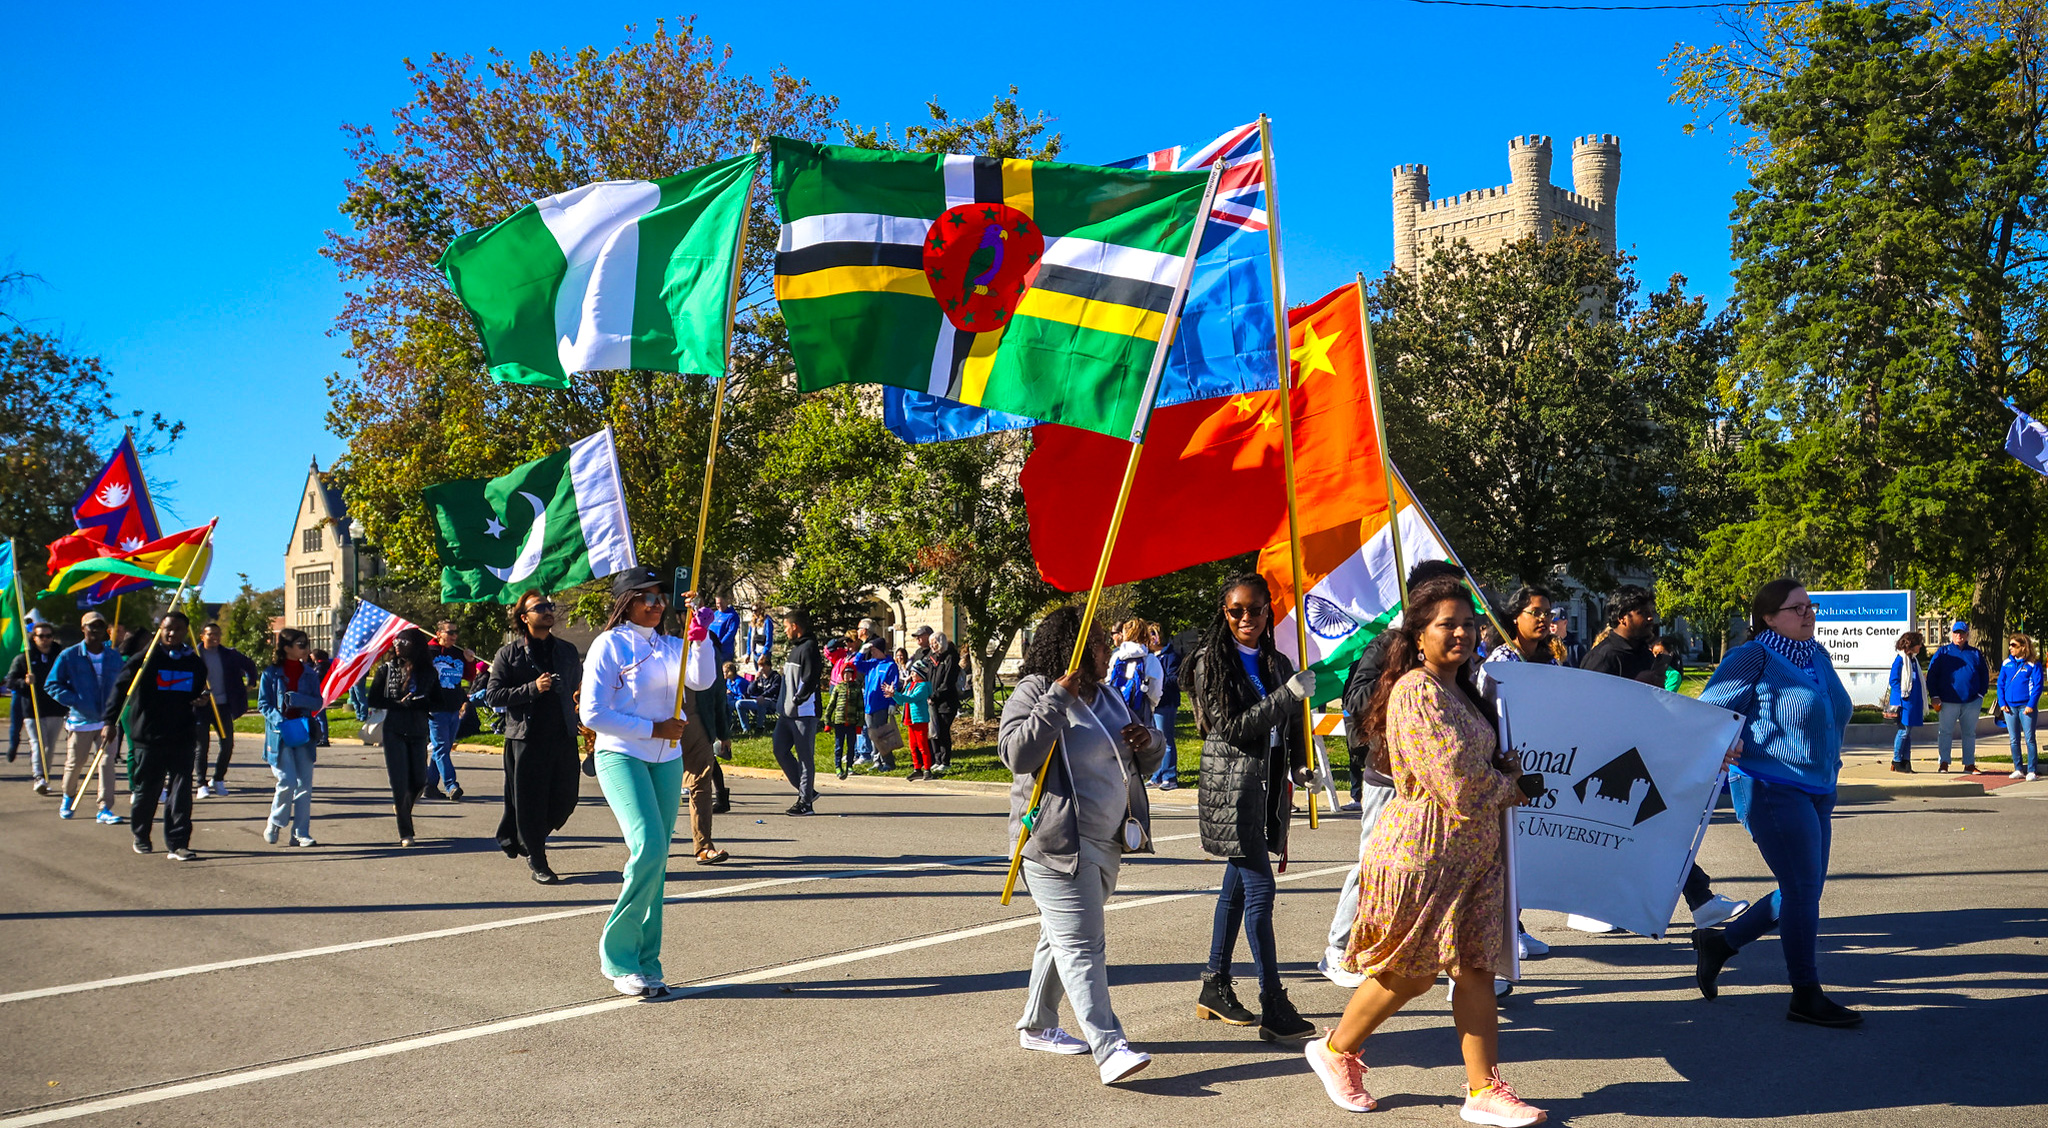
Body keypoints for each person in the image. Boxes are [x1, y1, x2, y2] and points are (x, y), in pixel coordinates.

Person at [1307, 576, 1546, 1124]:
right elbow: (1456, 782)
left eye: (1469, 623)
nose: (1462, 633)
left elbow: (1477, 765)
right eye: (1448, 624)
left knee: (1477, 969)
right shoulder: (1416, 690)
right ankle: (1335, 1051)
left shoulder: (1464, 688)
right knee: (1409, 976)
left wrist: (1507, 772)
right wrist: (1514, 788)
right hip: (1425, 854)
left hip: (1477, 856)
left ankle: (1483, 1090)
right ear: (1419, 635)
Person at [1000, 604, 1162, 1085]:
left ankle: (1037, 1023)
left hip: (1107, 841)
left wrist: (1147, 741)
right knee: (1083, 943)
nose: (1109, 648)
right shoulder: (1034, 690)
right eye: (1098, 642)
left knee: (1061, 936)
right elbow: (1016, 754)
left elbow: (1146, 761)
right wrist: (1056, 699)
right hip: (1053, 844)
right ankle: (1109, 1047)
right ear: (1073, 648)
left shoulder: (1109, 696)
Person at [1692, 578, 1860, 1027]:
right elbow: (1707, 714)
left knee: (1802, 890)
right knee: (1804, 889)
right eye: (1795, 608)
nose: (1807, 614)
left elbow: (1830, 712)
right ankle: (1805, 994)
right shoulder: (1753, 656)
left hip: (1820, 787)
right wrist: (1729, 740)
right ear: (1767, 617)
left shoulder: (1818, 655)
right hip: (1770, 787)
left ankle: (1720, 944)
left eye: (1810, 606)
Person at [1321, 559, 1474, 990]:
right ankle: (1338, 946)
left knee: (1446, 869)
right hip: (1390, 777)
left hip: (1441, 781)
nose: (1459, 623)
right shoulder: (1389, 644)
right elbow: (1357, 697)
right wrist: (1408, 680)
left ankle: (1458, 966)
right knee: (1375, 863)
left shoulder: (1461, 649)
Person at [1190, 573, 1317, 1045]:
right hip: (1232, 791)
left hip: (1268, 792)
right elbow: (1231, 728)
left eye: (1257, 609)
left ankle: (1214, 984)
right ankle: (1273, 1002)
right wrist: (1288, 695)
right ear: (1224, 614)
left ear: (1270, 611)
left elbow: (1292, 720)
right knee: (1261, 894)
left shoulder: (1277, 660)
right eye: (1236, 610)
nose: (1247, 618)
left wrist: (1302, 765)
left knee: (1236, 892)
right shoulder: (1211, 662)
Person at [580, 568, 720, 997]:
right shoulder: (609, 645)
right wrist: (652, 728)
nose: (657, 606)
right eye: (648, 598)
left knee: (657, 864)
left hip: (667, 762)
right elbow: (592, 713)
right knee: (649, 848)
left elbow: (702, 679)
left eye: (661, 598)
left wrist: (700, 638)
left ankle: (647, 961)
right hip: (621, 755)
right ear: (626, 602)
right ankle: (619, 959)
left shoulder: (670, 646)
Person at [1575, 585, 1745, 933]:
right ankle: (1700, 901)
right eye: (1644, 612)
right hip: (1610, 765)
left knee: (1653, 832)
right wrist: (1636, 687)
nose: (1653, 617)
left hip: (1644, 756)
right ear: (1622, 617)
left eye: (1652, 609)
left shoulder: (1644, 652)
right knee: (1655, 831)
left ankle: (1699, 902)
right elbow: (1585, 712)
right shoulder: (1604, 657)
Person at [484, 592, 584, 883]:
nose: (548, 611)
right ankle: (538, 860)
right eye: (540, 608)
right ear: (524, 617)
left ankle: (526, 836)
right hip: (526, 739)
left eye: (549, 606)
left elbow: (578, 689)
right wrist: (532, 688)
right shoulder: (509, 654)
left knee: (566, 799)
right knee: (530, 802)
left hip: (562, 735)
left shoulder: (566, 651)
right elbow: (493, 696)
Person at [107, 611, 211, 860]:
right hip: (149, 735)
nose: (171, 633)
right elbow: (120, 688)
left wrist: (202, 698)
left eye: (177, 629)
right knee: (148, 790)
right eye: (167, 628)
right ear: (160, 630)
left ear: (186, 632)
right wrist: (108, 722)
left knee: (181, 792)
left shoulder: (193, 662)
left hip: (182, 735)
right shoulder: (146, 659)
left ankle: (177, 843)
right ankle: (141, 835)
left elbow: (199, 691)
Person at [368, 627, 457, 846]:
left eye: (404, 643)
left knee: (419, 781)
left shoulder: (429, 673)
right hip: (394, 730)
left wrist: (422, 702)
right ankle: (405, 832)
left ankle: (404, 807)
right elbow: (373, 699)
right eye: (396, 643)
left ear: (415, 646)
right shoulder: (386, 670)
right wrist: (398, 703)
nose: (398, 647)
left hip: (418, 730)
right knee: (399, 782)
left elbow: (438, 702)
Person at [46, 611, 125, 823]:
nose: (96, 630)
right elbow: (51, 684)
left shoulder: (113, 656)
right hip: (81, 720)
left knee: (107, 763)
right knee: (75, 763)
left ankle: (105, 808)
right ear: (83, 629)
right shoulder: (69, 655)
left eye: (100, 626)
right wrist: (76, 699)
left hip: (108, 720)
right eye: (92, 626)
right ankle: (68, 796)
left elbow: (123, 684)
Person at [258, 628, 324, 847]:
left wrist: (298, 699)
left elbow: (317, 703)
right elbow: (263, 704)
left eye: (306, 643)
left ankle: (300, 833)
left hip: (304, 733)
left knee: (304, 785)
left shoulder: (310, 674)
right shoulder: (270, 674)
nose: (305, 648)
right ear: (286, 648)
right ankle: (275, 821)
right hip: (280, 735)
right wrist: (280, 720)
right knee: (286, 780)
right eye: (300, 644)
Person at [192, 622, 256, 799]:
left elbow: (249, 665)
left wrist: (251, 682)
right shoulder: (194, 656)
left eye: (217, 634)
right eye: (210, 634)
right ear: (202, 636)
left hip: (223, 705)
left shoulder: (229, 655)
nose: (214, 637)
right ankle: (201, 783)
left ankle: (218, 778)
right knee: (201, 746)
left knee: (227, 744)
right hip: (201, 707)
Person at [772, 608, 823, 811]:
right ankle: (807, 791)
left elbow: (810, 679)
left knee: (805, 757)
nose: (785, 632)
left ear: (795, 626)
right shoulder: (796, 648)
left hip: (804, 713)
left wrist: (797, 699)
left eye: (786, 627)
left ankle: (805, 802)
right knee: (780, 750)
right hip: (787, 713)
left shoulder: (809, 647)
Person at [1927, 620, 1990, 773]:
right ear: (1952, 634)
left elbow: (1984, 675)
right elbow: (1932, 675)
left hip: (1972, 701)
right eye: (1956, 633)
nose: (1959, 636)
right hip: (1947, 700)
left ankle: (1969, 764)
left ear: (1967, 635)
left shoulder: (1975, 653)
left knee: (1969, 733)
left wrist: (1981, 694)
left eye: (1962, 633)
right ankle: (1944, 763)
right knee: (1945, 732)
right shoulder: (1943, 652)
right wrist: (1934, 695)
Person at [9, 620, 63, 792]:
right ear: (34, 638)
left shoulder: (60, 656)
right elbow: (10, 681)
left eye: (48, 636)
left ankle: (45, 774)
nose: (45, 639)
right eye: (41, 636)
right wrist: (24, 682)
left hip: (55, 708)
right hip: (33, 709)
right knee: (38, 743)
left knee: (50, 745)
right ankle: (39, 776)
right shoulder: (24, 658)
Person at [424, 620, 472, 802]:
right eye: (449, 632)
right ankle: (451, 785)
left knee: (442, 749)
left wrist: (469, 661)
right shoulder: (429, 653)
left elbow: (469, 676)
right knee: (441, 748)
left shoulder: (458, 654)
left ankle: (429, 786)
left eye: (455, 632)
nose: (454, 636)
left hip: (454, 707)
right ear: (438, 634)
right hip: (436, 708)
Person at [1144, 625, 1184, 791]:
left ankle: (1170, 776)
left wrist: (1157, 682)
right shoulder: (1152, 657)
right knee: (1157, 740)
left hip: (1166, 703)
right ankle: (1156, 775)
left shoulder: (1171, 656)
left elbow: (1175, 680)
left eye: (1151, 636)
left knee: (1166, 740)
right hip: (1154, 703)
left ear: (1158, 637)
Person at [1997, 633, 2041, 781]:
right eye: (2010, 645)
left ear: (2023, 647)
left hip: (2026, 707)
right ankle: (2018, 768)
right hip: (2009, 707)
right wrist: (2002, 703)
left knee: (2029, 739)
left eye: (2014, 645)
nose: (2010, 648)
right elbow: (2000, 684)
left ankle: (2032, 770)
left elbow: (2037, 686)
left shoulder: (2032, 664)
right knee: (2013, 739)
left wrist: (2031, 704)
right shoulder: (2006, 663)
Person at [1885, 631, 1928, 773]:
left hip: (1914, 701)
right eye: (1919, 643)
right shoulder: (1900, 660)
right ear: (1911, 644)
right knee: (1903, 732)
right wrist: (1901, 698)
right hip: (1904, 702)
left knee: (1908, 733)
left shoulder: (1913, 661)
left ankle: (1906, 760)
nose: (1921, 646)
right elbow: (1894, 680)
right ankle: (1896, 760)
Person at [861, 640, 902, 773]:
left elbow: (893, 684)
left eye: (874, 650)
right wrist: (862, 652)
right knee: (872, 735)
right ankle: (876, 760)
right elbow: (855, 665)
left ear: (880, 650)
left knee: (882, 735)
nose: (872, 653)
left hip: (881, 705)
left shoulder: (890, 665)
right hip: (869, 705)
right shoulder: (871, 664)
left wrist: (891, 703)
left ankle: (888, 762)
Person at [826, 640, 863, 779]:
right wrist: (827, 721)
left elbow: (860, 706)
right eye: (845, 674)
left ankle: (849, 765)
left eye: (850, 673)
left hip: (852, 721)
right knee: (839, 745)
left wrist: (860, 723)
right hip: (840, 720)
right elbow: (831, 705)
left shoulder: (856, 689)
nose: (847, 676)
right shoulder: (838, 687)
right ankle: (837, 766)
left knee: (851, 745)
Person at [927, 630, 962, 776]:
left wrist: (935, 696)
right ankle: (936, 760)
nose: (933, 646)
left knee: (943, 731)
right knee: (933, 731)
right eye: (931, 643)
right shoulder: (932, 658)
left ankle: (945, 761)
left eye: (935, 642)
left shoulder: (950, 658)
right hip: (932, 701)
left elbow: (948, 682)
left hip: (946, 702)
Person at [899, 666, 936, 780]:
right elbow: (902, 700)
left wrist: (895, 694)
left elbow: (911, 698)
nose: (912, 675)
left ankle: (927, 769)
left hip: (920, 719)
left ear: (921, 675)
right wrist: (893, 694)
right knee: (913, 746)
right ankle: (917, 768)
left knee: (922, 745)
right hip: (910, 718)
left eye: (914, 673)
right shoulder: (910, 685)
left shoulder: (923, 686)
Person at [308, 649, 333, 746]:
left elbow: (317, 680)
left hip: (320, 693)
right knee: (318, 717)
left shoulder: (320, 667)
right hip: (321, 694)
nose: (310, 655)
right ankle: (320, 737)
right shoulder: (324, 665)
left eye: (312, 654)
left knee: (320, 716)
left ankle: (324, 738)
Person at [709, 596, 741, 668]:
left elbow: (731, 632)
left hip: (724, 650)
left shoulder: (732, 616)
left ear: (727, 602)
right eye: (717, 603)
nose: (720, 605)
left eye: (721, 603)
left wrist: (720, 644)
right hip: (712, 648)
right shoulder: (716, 614)